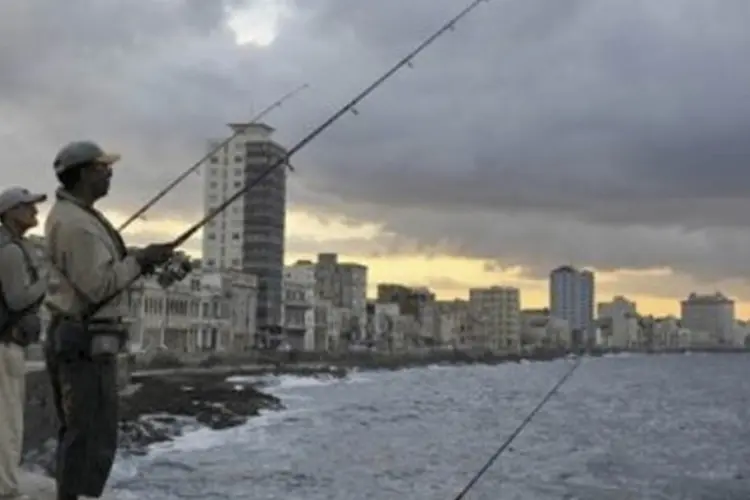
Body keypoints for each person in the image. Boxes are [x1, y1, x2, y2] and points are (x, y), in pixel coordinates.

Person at [43, 141, 174, 500]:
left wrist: (140, 257)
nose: (110, 173)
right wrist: (141, 261)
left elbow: (99, 271)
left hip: (81, 338)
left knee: (85, 434)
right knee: (91, 437)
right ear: (84, 173)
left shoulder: (79, 217)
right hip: (83, 342)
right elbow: (98, 286)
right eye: (103, 168)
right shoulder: (76, 225)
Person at [0, 187, 48, 500]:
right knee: (8, 423)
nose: (34, 211)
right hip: (6, 346)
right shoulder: (11, 250)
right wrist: (44, 281)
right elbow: (17, 299)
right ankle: (6, 488)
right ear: (10, 212)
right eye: (27, 206)